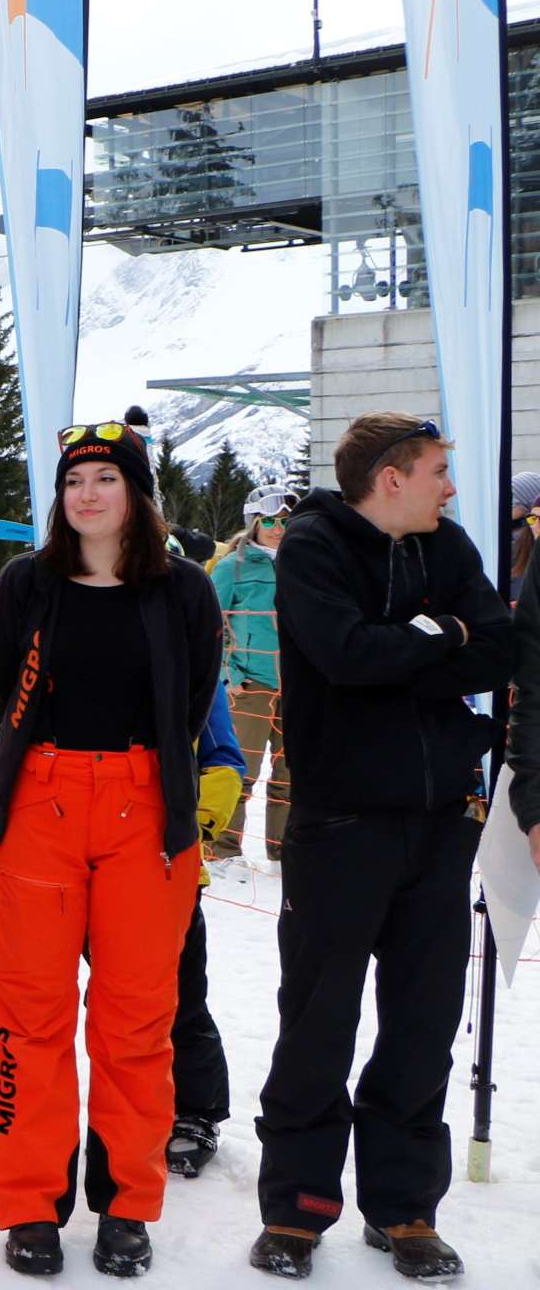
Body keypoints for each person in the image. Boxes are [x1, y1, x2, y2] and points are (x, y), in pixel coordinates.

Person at [249, 413, 510, 1281]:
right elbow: (345, 655)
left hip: (442, 823)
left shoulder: (453, 545)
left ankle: (404, 1209)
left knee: (424, 1022)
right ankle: (297, 1209)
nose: (451, 486)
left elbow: (501, 648)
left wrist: (429, 644)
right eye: (439, 469)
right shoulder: (315, 549)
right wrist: (441, 638)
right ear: (391, 477)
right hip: (340, 824)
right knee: (318, 1018)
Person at [0, 419, 219, 1278]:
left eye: (106, 480)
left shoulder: (184, 591)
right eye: (75, 480)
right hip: (39, 806)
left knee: (136, 1022)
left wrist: (149, 785)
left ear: (137, 495)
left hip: (144, 811)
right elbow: (7, 686)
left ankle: (127, 1204)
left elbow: (190, 700)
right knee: (30, 1013)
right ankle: (31, 1204)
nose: (87, 494)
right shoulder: (26, 584)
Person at [167, 681, 244, 1179]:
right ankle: (123, 1112)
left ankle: (197, 1110)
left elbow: (224, 761)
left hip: (169, 868)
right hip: (80, 860)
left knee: (180, 996)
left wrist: (192, 830)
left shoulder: (196, 671)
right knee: (109, 1004)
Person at [208, 485, 293, 860]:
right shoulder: (233, 565)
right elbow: (210, 623)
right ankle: (225, 849)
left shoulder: (304, 561)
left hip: (296, 683)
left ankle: (283, 851)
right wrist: (228, 672)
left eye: (284, 521)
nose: (278, 528)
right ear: (254, 523)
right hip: (251, 683)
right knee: (241, 772)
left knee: (291, 775)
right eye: (270, 520)